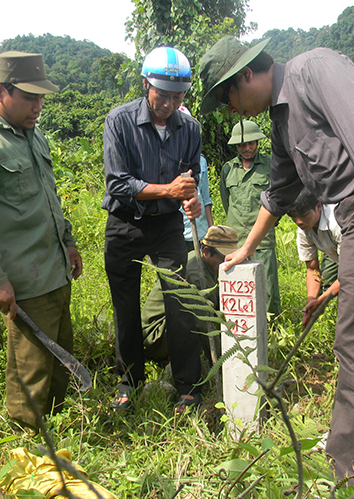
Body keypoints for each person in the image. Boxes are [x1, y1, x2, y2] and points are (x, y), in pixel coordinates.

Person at [200, 36, 354, 486]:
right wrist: (246, 246)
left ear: (246, 75)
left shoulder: (313, 69)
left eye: (227, 98)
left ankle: (348, 474)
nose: (232, 111)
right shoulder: (281, 119)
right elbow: (281, 190)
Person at [0, 51, 83, 430]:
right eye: (29, 97)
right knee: (30, 373)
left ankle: (54, 437)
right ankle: (27, 450)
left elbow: (48, 197)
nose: (38, 106)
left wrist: (68, 241)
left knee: (58, 364)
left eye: (42, 98)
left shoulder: (32, 135)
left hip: (53, 271)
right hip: (21, 282)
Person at [102, 46, 203, 413]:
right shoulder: (119, 121)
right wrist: (168, 190)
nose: (170, 103)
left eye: (179, 97)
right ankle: (129, 382)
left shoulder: (189, 127)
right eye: (163, 95)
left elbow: (189, 177)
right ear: (146, 84)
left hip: (167, 225)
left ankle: (188, 385)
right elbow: (118, 183)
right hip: (125, 223)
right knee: (125, 306)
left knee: (180, 301)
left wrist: (188, 198)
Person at [142, 225, 238, 361]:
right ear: (206, 251)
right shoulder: (196, 275)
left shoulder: (206, 263)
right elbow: (205, 326)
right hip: (156, 335)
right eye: (224, 258)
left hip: (168, 326)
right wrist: (223, 364)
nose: (228, 263)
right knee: (192, 319)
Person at [221, 120, 281, 316]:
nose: (247, 148)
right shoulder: (228, 169)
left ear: (257, 142)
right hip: (235, 241)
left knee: (268, 290)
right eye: (242, 144)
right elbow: (226, 201)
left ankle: (272, 334)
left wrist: (266, 226)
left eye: (251, 143)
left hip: (263, 240)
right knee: (239, 291)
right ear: (236, 146)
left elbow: (278, 202)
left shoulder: (270, 165)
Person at [287, 189, 341, 329]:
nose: (299, 221)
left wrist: (321, 301)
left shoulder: (337, 221)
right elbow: (312, 269)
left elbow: (350, 272)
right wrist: (311, 301)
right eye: (294, 217)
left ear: (318, 206)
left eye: (304, 215)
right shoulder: (304, 230)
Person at [179, 106, 214, 251]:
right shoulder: (163, 161)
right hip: (177, 232)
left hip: (200, 230)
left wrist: (211, 229)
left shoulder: (200, 161)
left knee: (198, 271)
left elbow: (205, 198)